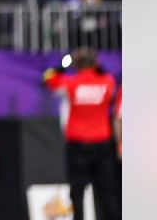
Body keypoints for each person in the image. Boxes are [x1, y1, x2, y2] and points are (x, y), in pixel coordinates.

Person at [43, 49, 121, 220]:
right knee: (108, 192)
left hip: (78, 146)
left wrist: (63, 65)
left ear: (76, 64)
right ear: (95, 63)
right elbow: (109, 79)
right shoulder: (107, 83)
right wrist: (97, 67)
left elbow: (48, 78)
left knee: (77, 193)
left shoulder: (70, 84)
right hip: (102, 145)